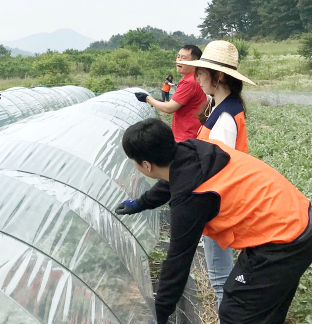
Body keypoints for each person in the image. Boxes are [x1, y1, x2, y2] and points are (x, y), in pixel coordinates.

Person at [116, 118, 312, 324]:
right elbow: (172, 180)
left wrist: (159, 313)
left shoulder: (193, 197)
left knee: (236, 312)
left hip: (283, 240)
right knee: (265, 309)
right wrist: (140, 203)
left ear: (146, 165)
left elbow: (178, 259)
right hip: (299, 217)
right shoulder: (193, 149)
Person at [180, 40, 257, 308]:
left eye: (201, 72)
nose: (197, 77)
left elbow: (218, 169)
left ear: (219, 75)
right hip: (220, 204)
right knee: (222, 273)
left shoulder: (225, 119)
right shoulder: (223, 107)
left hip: (217, 207)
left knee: (220, 276)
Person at [134, 45, 207, 142]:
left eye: (184, 58)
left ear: (195, 62)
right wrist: (159, 102)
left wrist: (147, 99)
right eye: (178, 56)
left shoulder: (189, 82)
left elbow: (169, 108)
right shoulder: (195, 78)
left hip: (186, 137)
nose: (179, 60)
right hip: (194, 134)